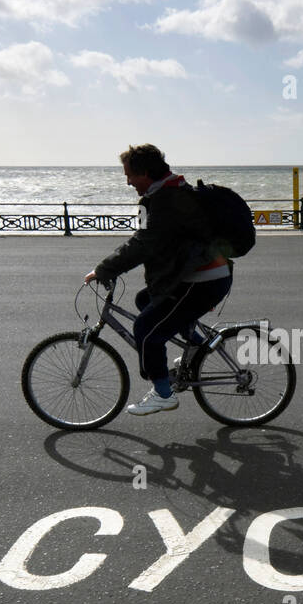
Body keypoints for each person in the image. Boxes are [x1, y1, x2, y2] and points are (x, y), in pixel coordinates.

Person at [84, 144, 231, 415]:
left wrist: (104, 270)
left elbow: (144, 245)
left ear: (146, 173)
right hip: (195, 275)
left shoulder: (168, 199)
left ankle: (164, 394)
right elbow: (145, 241)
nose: (127, 181)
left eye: (130, 175)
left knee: (146, 330)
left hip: (203, 278)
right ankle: (197, 347)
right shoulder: (163, 194)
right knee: (145, 300)